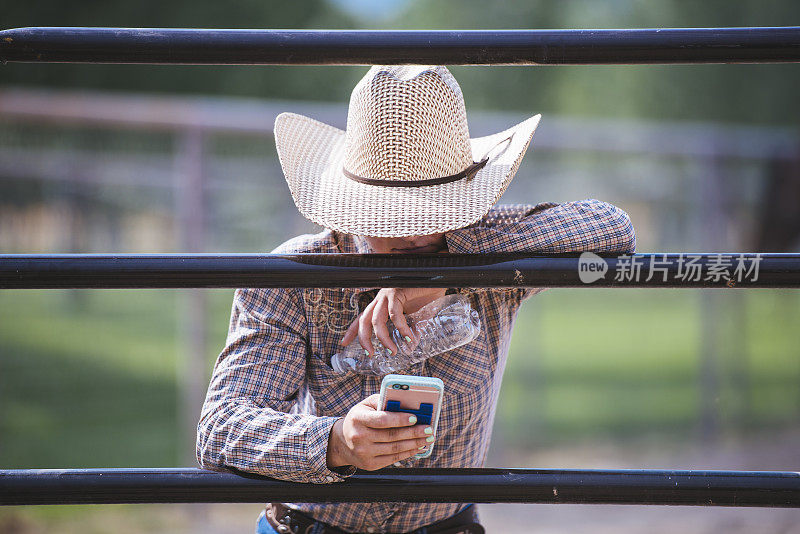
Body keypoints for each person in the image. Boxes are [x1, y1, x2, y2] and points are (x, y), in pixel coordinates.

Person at [196, 65, 636, 534]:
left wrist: (446, 272)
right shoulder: (298, 273)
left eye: (438, 208)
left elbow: (612, 227)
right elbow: (222, 428)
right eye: (393, 216)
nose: (417, 231)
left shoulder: (487, 247)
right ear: (354, 207)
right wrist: (335, 442)